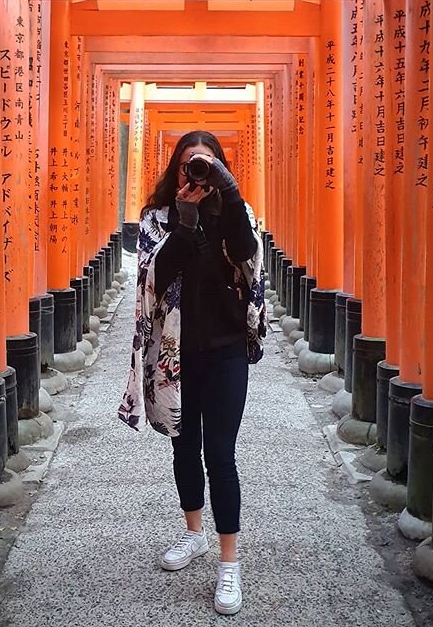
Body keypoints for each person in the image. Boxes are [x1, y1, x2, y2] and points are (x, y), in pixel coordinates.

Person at [119, 130, 265, 616]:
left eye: (205, 164)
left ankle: (229, 563)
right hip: (177, 353)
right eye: (187, 165)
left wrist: (232, 194)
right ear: (175, 169)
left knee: (220, 455)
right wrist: (183, 222)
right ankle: (193, 534)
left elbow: (247, 257)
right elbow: (153, 280)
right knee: (184, 444)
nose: (195, 173)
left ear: (220, 167)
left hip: (225, 351)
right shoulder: (157, 219)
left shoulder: (234, 214)